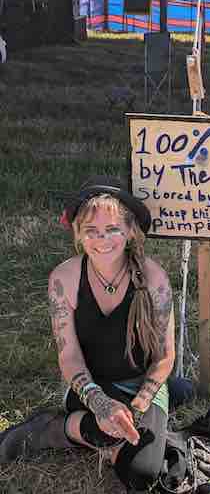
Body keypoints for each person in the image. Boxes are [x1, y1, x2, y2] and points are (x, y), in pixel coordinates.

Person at [0, 176, 177, 492]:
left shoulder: (154, 278)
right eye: (91, 231)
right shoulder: (63, 279)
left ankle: (107, 435)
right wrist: (100, 403)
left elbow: (165, 356)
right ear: (78, 235)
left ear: (130, 232)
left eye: (112, 229)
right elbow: (68, 356)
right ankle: (54, 428)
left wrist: (137, 407)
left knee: (144, 474)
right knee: (105, 431)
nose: (102, 240)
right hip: (92, 387)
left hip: (141, 386)